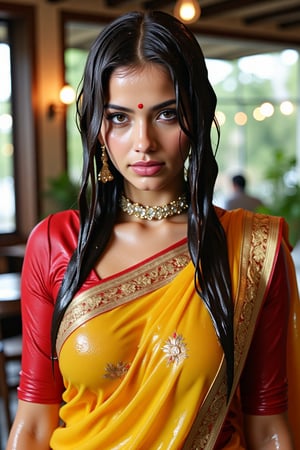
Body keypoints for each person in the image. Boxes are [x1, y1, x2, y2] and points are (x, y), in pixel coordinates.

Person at [7, 10, 300, 450]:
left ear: (197, 116)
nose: (143, 141)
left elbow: (268, 424)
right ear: (97, 128)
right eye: (120, 118)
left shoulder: (250, 249)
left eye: (166, 115)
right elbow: (32, 424)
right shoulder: (56, 243)